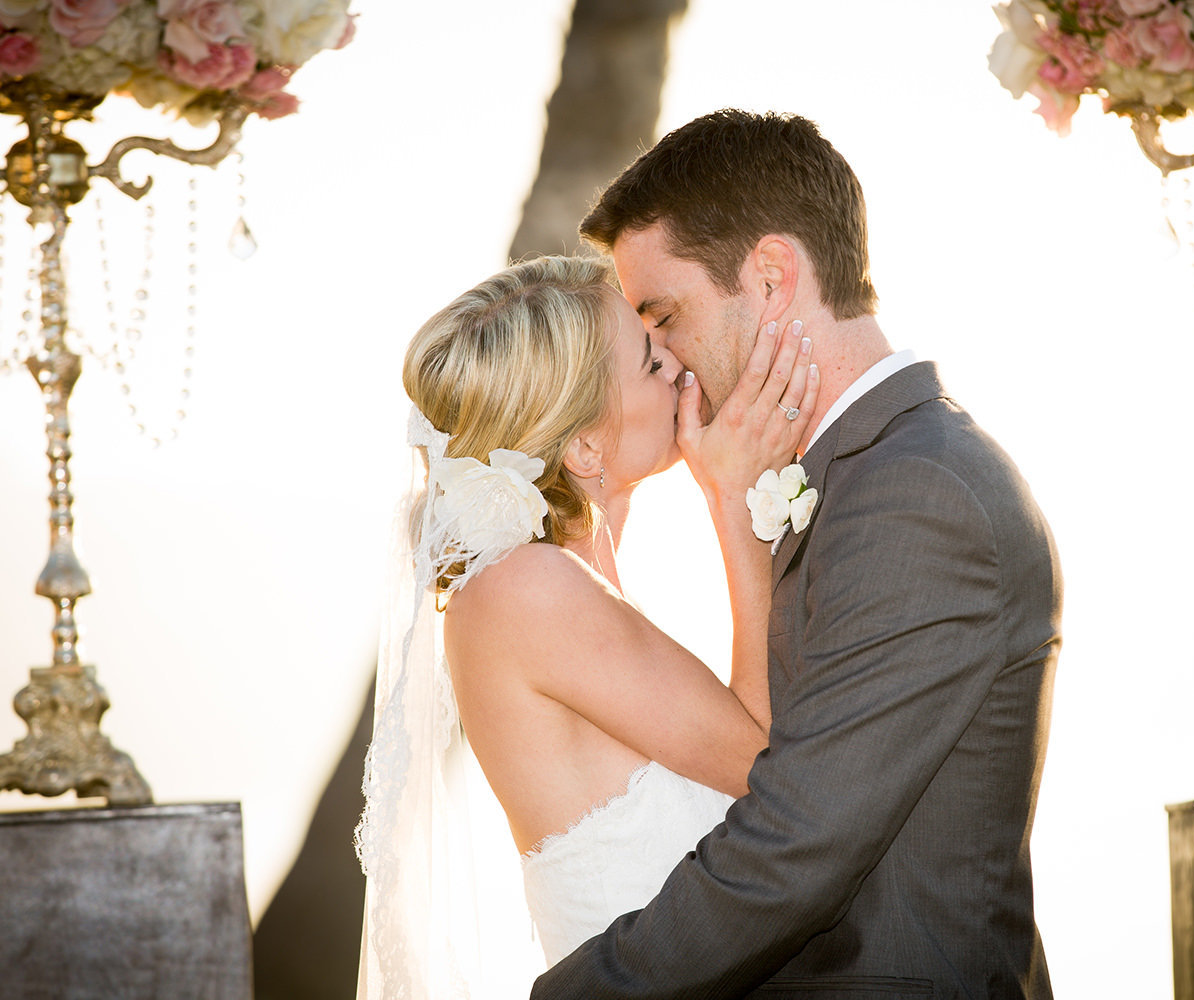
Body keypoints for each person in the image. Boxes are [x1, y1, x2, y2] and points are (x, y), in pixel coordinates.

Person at [532, 109, 1062, 999]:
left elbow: (799, 842)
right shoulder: (863, 474)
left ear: (772, 275)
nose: (661, 359)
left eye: (665, 316)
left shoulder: (919, 492)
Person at [354, 254, 821, 997]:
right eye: (648, 359)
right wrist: (732, 498)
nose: (676, 363)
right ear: (583, 448)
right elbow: (774, 765)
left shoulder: (553, 582)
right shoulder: (524, 590)